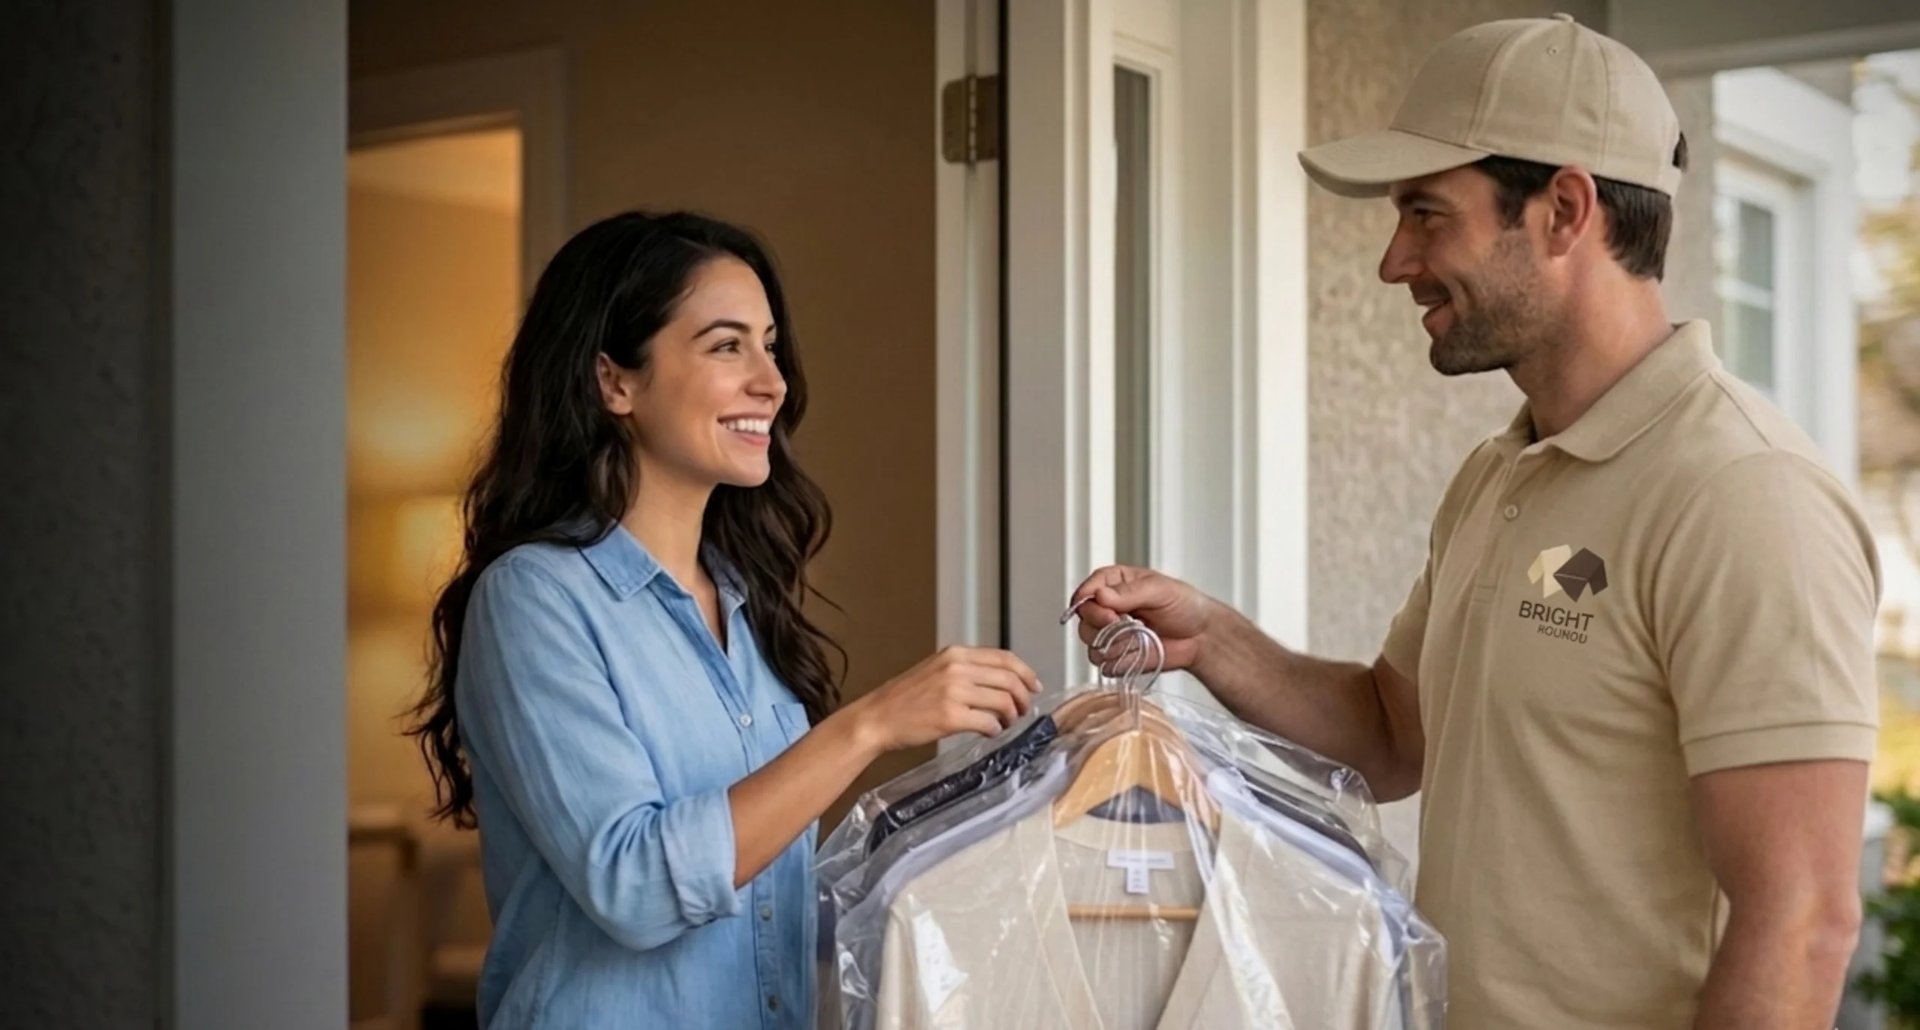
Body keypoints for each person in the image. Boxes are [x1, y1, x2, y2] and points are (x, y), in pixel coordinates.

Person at [1071, 15, 1878, 1029]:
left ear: (1563, 210)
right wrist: (1212, 637)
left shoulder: (1743, 495)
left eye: (1426, 215)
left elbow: (1800, 921)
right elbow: (1394, 734)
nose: (1394, 262)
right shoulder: (1502, 471)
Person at [407, 210, 1040, 1029]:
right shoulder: (535, 599)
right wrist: (871, 726)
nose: (771, 381)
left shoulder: (749, 603)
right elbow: (635, 887)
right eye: (725, 345)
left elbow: (765, 902)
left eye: (769, 344)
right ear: (614, 382)